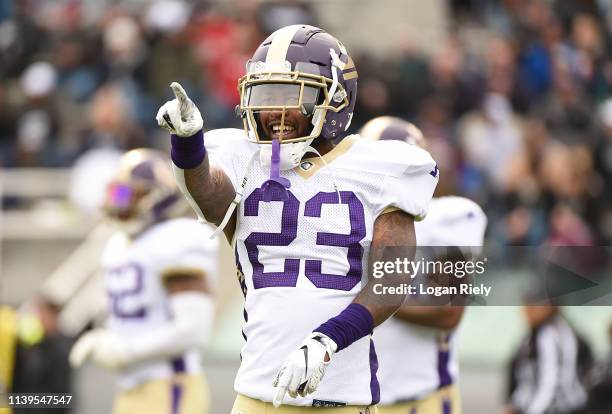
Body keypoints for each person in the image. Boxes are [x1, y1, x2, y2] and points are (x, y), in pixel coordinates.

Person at [156, 24, 439, 412]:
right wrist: (188, 145)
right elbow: (206, 192)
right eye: (263, 95)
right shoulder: (244, 160)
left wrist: (329, 340)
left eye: (290, 96)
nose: (272, 111)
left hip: (342, 397)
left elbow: (391, 281)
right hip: (256, 395)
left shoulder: (381, 168)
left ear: (336, 98)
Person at [69, 149, 218, 414]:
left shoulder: (177, 238)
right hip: (130, 388)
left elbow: (192, 329)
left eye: (126, 194)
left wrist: (126, 350)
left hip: (172, 385)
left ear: (155, 196)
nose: (117, 202)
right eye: (116, 193)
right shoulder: (119, 244)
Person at [361, 116, 487, 414]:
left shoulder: (451, 218)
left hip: (422, 400)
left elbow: (448, 313)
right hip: (362, 399)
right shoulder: (348, 224)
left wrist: (368, 305)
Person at [506, 300, 593, 414]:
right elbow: (526, 382)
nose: (526, 311)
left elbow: (553, 384)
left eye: (532, 306)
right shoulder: (530, 336)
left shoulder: (554, 335)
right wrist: (514, 405)